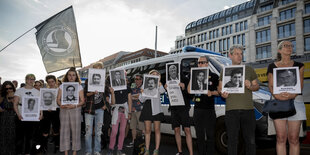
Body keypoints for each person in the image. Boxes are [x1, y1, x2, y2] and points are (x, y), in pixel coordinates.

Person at [218, 45, 259, 155]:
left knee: (250, 141)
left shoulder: (249, 69)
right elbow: (219, 87)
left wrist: (250, 86)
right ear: (230, 55)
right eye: (236, 54)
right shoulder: (225, 71)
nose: (240, 56)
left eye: (241, 54)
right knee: (232, 141)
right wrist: (222, 93)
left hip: (248, 110)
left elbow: (257, 86)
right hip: (231, 111)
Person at [267, 41, 306, 155]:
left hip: (296, 102)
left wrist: (292, 95)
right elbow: (271, 85)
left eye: (291, 46)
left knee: (294, 139)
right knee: (281, 138)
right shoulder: (272, 66)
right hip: (278, 103)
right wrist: (278, 96)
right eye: (286, 46)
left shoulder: (299, 65)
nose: (289, 47)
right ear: (279, 50)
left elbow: (300, 84)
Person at [187, 56, 219, 155]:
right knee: (199, 136)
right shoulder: (194, 75)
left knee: (210, 135)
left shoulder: (214, 76)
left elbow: (220, 92)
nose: (200, 64)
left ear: (207, 63)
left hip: (209, 110)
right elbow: (188, 91)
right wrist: (192, 77)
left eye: (202, 62)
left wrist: (212, 93)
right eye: (199, 63)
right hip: (198, 110)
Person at [57, 67, 85, 155]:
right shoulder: (62, 86)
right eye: (69, 75)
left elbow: (82, 100)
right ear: (67, 76)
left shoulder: (79, 86)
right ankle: (65, 151)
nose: (71, 77)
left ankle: (75, 151)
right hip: (64, 109)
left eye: (73, 75)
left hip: (76, 109)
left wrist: (75, 105)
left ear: (76, 76)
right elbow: (58, 99)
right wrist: (60, 104)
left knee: (76, 130)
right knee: (64, 130)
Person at [13, 74, 42, 155]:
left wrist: (41, 114)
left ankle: (28, 153)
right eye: (29, 79)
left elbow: (40, 105)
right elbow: (15, 104)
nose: (31, 80)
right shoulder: (19, 91)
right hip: (21, 117)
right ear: (26, 80)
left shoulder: (37, 92)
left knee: (31, 138)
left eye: (33, 79)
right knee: (20, 138)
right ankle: (18, 153)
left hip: (32, 118)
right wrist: (18, 114)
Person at [84, 62, 108, 155]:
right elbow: (85, 94)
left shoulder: (104, 81)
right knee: (88, 132)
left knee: (98, 132)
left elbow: (107, 95)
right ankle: (88, 151)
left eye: (99, 69)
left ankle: (97, 150)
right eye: (96, 68)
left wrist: (106, 105)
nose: (98, 70)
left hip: (100, 109)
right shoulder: (88, 81)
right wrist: (92, 93)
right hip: (89, 109)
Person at [167, 69, 193, 155]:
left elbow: (191, 95)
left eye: (175, 70)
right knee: (176, 130)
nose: (173, 72)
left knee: (187, 130)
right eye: (172, 70)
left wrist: (184, 88)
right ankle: (180, 152)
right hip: (174, 108)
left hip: (184, 108)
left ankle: (191, 153)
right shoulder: (169, 81)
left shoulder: (186, 79)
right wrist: (165, 87)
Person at [139, 70, 166, 155]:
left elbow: (162, 91)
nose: (155, 76)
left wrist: (160, 83)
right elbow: (141, 99)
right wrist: (142, 93)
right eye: (153, 74)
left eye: (156, 74)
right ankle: (147, 149)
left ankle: (156, 150)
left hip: (157, 108)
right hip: (147, 107)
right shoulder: (145, 86)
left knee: (157, 129)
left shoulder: (158, 85)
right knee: (147, 130)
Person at [107, 74, 132, 155]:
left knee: (122, 131)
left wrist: (130, 112)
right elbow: (112, 103)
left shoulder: (128, 88)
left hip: (125, 111)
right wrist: (113, 93)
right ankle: (111, 148)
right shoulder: (113, 87)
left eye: (125, 76)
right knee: (114, 131)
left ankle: (120, 148)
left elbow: (130, 100)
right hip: (116, 111)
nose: (123, 77)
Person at [40, 75, 60, 153]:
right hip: (46, 111)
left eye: (52, 81)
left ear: (55, 81)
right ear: (47, 82)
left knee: (56, 129)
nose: (51, 83)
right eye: (49, 82)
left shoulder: (59, 90)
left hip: (56, 110)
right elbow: (42, 102)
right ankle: (44, 147)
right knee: (45, 129)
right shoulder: (44, 91)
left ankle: (56, 146)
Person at [126, 74, 145, 148]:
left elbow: (140, 97)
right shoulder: (132, 88)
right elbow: (130, 97)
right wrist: (135, 96)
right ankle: (134, 142)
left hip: (140, 110)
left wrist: (133, 97)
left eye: (138, 79)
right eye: (135, 79)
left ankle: (143, 143)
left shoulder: (143, 88)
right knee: (133, 127)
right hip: (133, 110)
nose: (137, 81)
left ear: (141, 80)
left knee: (142, 128)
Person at [0, 81, 16, 155]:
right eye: (6, 89)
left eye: (10, 88)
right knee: (3, 136)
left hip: (14, 117)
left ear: (13, 87)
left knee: (12, 136)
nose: (9, 90)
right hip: (4, 118)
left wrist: (14, 101)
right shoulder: (2, 96)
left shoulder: (16, 94)